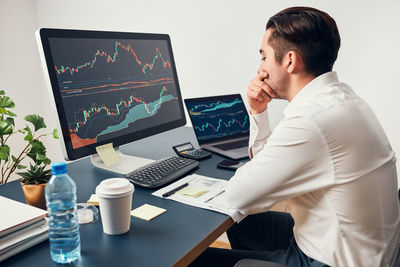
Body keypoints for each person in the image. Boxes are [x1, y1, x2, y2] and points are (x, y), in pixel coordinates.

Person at [190, 6, 400, 267]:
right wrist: (258, 112)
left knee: (195, 260)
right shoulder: (344, 99)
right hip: (351, 245)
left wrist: (250, 175)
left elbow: (238, 195)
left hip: (332, 261)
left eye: (264, 57)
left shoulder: (312, 121)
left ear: (290, 60)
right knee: (244, 222)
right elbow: (263, 176)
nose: (260, 69)